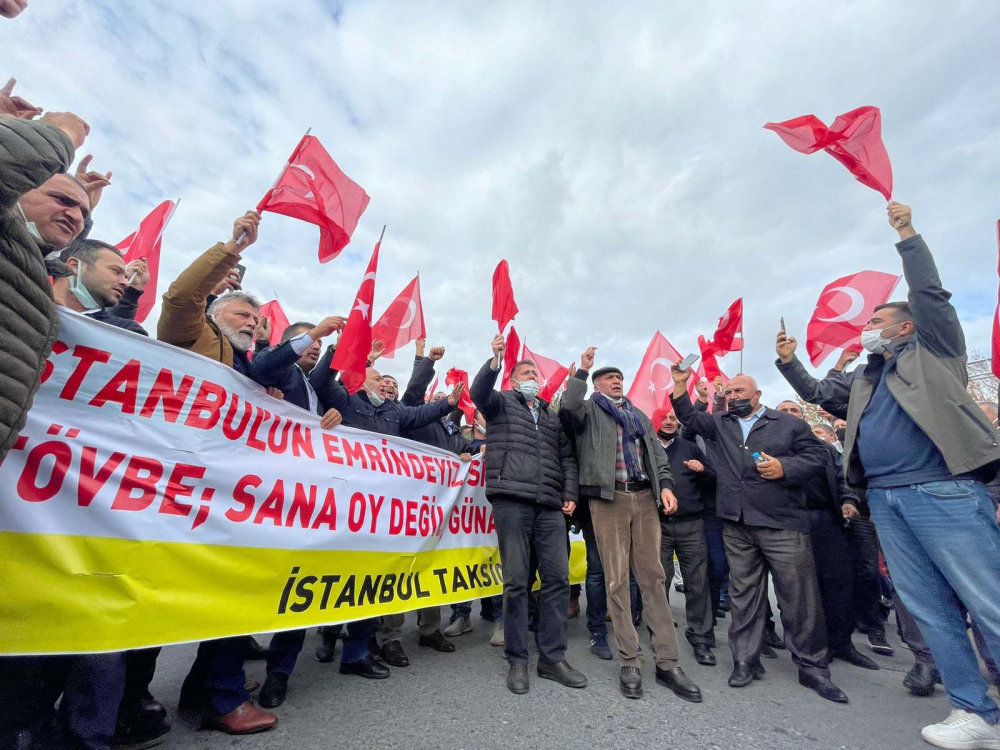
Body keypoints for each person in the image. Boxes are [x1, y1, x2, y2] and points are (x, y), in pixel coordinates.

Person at [774, 202, 1000, 748]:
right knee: (928, 607)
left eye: (875, 321)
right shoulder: (867, 378)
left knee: (986, 598)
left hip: (942, 491)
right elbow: (819, 395)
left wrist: (907, 235)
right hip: (888, 501)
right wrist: (789, 360)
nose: (866, 328)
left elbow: (931, 297)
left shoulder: (935, 351)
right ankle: (975, 712)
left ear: (905, 326)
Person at [157, 209, 278, 735]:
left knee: (229, 595)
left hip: (226, 492)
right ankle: (214, 699)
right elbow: (181, 298)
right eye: (241, 317)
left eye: (256, 320)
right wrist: (231, 248)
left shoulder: (245, 363)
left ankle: (205, 695)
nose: (252, 324)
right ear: (215, 313)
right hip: (185, 485)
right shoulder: (191, 331)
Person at [669, 367, 848, 703]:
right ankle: (745, 660)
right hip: (737, 525)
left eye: (741, 392)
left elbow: (815, 459)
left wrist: (784, 468)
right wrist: (680, 384)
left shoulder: (789, 424)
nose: (734, 396)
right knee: (744, 595)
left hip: (782, 522)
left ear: (757, 395)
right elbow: (689, 417)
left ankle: (812, 667)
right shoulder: (720, 423)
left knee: (799, 598)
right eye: (731, 392)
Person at [559, 350, 700, 701]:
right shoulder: (589, 409)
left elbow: (657, 456)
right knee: (617, 580)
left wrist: (665, 486)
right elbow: (566, 409)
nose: (616, 380)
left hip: (645, 499)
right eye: (608, 377)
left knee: (653, 578)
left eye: (618, 377)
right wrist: (582, 371)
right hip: (609, 500)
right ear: (596, 385)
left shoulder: (638, 416)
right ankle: (630, 661)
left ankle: (668, 663)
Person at [316, 364, 464, 673]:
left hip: (398, 506)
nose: (385, 385)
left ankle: (377, 644)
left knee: (406, 567)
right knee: (355, 574)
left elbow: (420, 412)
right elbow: (323, 382)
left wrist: (449, 403)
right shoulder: (346, 402)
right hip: (353, 504)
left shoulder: (397, 414)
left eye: (388, 382)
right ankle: (340, 634)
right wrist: (343, 354)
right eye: (379, 380)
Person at [470, 334, 584, 695]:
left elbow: (566, 457)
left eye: (534, 371)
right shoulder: (500, 403)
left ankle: (552, 658)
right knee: (517, 582)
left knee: (558, 581)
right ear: (513, 379)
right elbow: (478, 393)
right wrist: (495, 360)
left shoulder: (551, 416)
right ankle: (517, 660)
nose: (532, 375)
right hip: (512, 501)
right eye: (525, 372)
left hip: (550, 507)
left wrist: (568, 493)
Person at [248, 318, 346, 708]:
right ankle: (211, 683)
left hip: (304, 500)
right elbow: (263, 365)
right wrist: (318, 332)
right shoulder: (278, 370)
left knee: (297, 590)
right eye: (310, 344)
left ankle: (279, 672)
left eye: (319, 347)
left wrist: (331, 419)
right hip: (266, 496)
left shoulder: (309, 387)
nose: (316, 349)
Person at [0, 88, 90, 464]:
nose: (76, 216)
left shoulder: (33, 267)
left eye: (83, 214)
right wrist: (60, 134)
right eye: (62, 201)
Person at [774, 400, 879, 671]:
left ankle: (842, 643)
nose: (789, 415)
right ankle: (809, 647)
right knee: (799, 588)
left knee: (839, 582)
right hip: (788, 521)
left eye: (794, 410)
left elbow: (842, 478)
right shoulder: (770, 447)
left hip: (826, 520)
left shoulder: (823, 448)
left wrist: (848, 501)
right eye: (783, 412)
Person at [655, 409, 719, 668]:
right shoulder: (644, 446)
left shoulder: (691, 447)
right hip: (656, 524)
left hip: (691, 523)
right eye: (664, 418)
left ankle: (700, 637)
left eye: (673, 418)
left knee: (697, 582)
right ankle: (659, 634)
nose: (670, 422)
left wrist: (702, 469)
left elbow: (714, 477)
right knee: (659, 581)